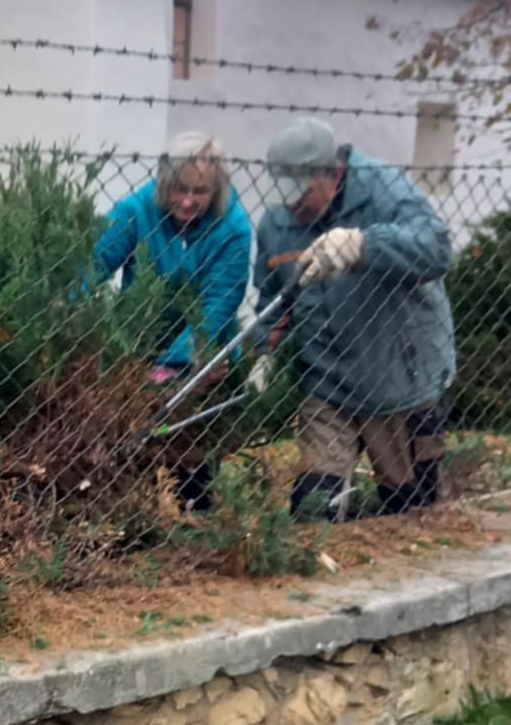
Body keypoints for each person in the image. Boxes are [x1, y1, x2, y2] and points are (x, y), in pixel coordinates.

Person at [257, 117, 455, 520]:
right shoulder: (276, 223)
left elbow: (437, 249)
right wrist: (263, 353)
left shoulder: (384, 189)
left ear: (333, 175)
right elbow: (274, 300)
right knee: (313, 510)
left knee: (411, 513)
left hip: (399, 381)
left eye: (302, 195)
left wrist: (363, 245)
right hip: (326, 383)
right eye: (285, 195)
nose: (292, 207)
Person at [90, 132, 253, 510]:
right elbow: (92, 263)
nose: (188, 200)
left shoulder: (234, 229)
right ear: (163, 182)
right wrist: (66, 317)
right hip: (138, 344)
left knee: (191, 467)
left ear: (217, 190)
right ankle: (136, 522)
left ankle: (195, 520)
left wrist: (174, 368)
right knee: (130, 467)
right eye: (179, 188)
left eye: (200, 191)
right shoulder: (136, 210)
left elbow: (216, 307)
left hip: (200, 364)